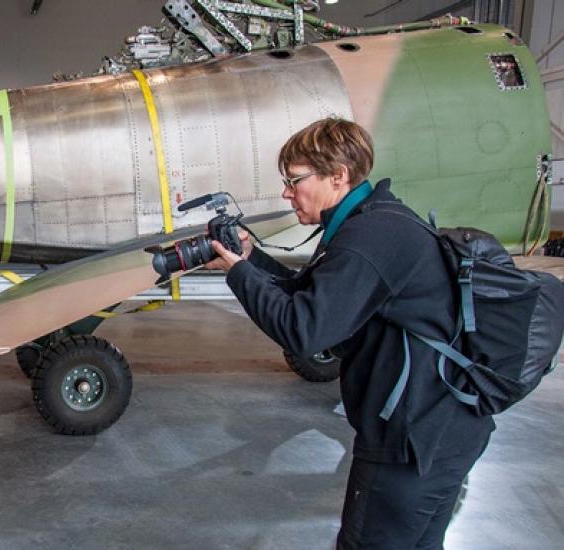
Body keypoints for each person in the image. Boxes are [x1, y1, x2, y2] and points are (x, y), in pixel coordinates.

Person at [206, 118, 494, 549]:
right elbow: (314, 295)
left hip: (411, 442)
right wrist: (253, 260)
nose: (287, 192)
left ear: (338, 175)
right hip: (443, 429)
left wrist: (239, 274)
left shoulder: (370, 235)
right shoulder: (374, 221)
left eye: (294, 180)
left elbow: (303, 330)